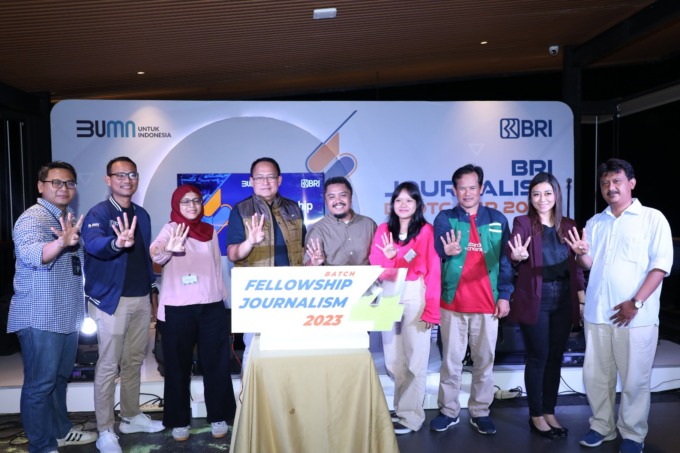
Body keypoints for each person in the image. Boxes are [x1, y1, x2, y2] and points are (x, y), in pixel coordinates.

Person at [565, 158, 672, 453]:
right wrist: (580, 254)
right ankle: (602, 426)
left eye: (616, 181)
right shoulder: (595, 222)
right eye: (605, 183)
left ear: (631, 183)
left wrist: (635, 303)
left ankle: (633, 435)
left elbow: (660, 266)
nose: (610, 187)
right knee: (596, 378)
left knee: (635, 380)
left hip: (635, 317)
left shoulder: (652, 219)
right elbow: (588, 264)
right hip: (597, 315)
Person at [7, 161, 97, 453]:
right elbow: (33, 253)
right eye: (56, 182)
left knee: (58, 379)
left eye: (69, 183)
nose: (63, 188)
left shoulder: (65, 218)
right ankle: (42, 446)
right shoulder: (32, 219)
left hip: (66, 315)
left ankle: (60, 432)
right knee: (40, 385)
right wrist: (60, 244)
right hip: (40, 316)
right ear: (41, 186)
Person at [82, 156, 163, 453]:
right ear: (108, 180)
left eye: (132, 175)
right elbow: (94, 245)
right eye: (120, 175)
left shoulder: (142, 214)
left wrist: (151, 289)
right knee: (108, 365)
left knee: (133, 362)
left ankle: (130, 416)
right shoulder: (99, 213)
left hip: (140, 298)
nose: (127, 180)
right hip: (111, 301)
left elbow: (143, 258)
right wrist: (116, 243)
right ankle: (105, 429)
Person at [430, 164, 513, 435]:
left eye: (472, 187)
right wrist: (447, 249)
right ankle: (448, 411)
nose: (467, 193)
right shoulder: (445, 218)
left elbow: (505, 262)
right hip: (452, 304)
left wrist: (505, 295)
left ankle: (480, 411)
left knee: (484, 362)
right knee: (450, 362)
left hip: (488, 305)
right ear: (454, 191)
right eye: (462, 188)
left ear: (481, 189)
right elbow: (438, 246)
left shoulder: (497, 219)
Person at [150, 184, 236, 442]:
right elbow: (156, 254)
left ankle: (219, 416)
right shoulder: (171, 229)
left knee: (217, 364)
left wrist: (221, 297)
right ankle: (179, 421)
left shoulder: (209, 231)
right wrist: (168, 249)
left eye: (196, 200)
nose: (192, 205)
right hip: (178, 308)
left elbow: (216, 265)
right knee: (177, 367)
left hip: (211, 306)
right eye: (185, 201)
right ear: (177, 204)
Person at [506, 172, 585, 439]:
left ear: (556, 195)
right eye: (536, 194)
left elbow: (577, 268)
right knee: (538, 355)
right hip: (536, 298)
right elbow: (513, 250)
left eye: (548, 193)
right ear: (530, 197)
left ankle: (550, 411)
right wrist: (516, 256)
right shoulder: (523, 223)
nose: (542, 199)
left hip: (564, 298)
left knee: (555, 357)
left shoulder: (569, 225)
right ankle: (536, 414)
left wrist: (581, 298)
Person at [369, 182, 440, 435]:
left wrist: (432, 307)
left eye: (409, 200)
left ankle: (411, 416)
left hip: (415, 292)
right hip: (388, 290)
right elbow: (377, 264)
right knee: (392, 359)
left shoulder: (427, 231)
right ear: (392, 204)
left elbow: (433, 270)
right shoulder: (384, 230)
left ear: (418, 204)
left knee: (415, 358)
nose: (403, 204)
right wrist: (391, 258)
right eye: (398, 200)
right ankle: (402, 408)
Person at [226, 157, 305, 368]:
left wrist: (313, 260)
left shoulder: (293, 208)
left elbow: (303, 248)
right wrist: (250, 242)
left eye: (270, 177)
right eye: (260, 177)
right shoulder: (241, 210)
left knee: (290, 348)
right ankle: (251, 390)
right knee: (255, 350)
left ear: (279, 180)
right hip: (257, 292)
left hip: (291, 291)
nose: (265, 182)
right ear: (251, 181)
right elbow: (233, 254)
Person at [305, 176, 376, 266]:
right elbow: (307, 267)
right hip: (331, 276)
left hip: (366, 276)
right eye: (332, 197)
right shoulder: (317, 229)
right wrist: (314, 263)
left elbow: (380, 258)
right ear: (326, 201)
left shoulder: (369, 225)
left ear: (350, 197)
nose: (338, 201)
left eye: (343, 195)